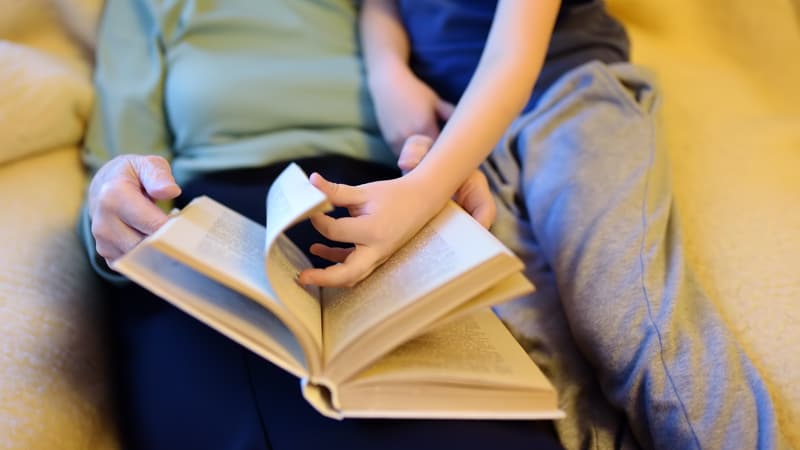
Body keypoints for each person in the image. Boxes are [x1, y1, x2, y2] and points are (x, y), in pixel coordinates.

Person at [81, 1, 782, 450]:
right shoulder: (154, 10)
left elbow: (499, 67)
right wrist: (112, 209)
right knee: (543, 362)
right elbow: (115, 159)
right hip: (297, 188)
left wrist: (429, 176)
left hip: (479, 144)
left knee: (596, 335)